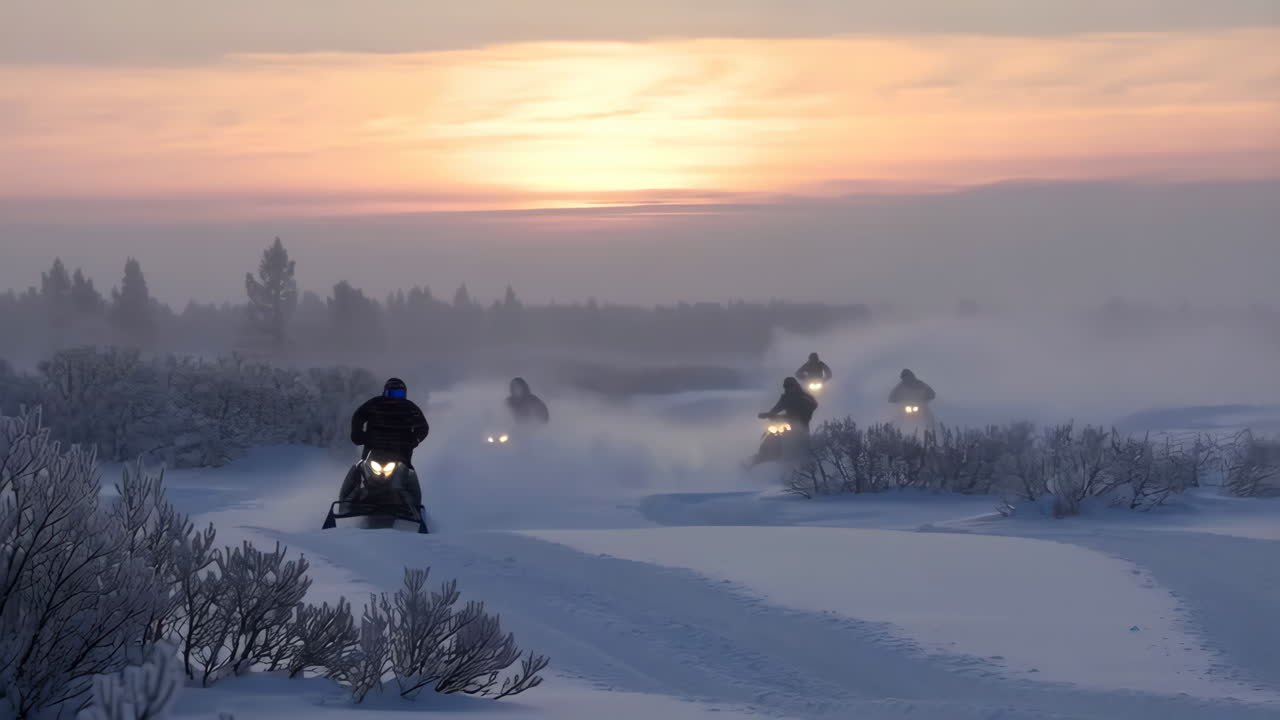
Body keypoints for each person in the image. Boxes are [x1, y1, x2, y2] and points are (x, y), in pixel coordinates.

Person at [342, 377, 429, 505]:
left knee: (410, 474)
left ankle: (414, 505)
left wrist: (413, 439)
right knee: (358, 468)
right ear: (385, 392)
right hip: (374, 449)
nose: (395, 398)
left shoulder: (410, 408)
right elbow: (358, 416)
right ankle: (346, 500)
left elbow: (423, 427)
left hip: (400, 452)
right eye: (392, 393)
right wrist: (358, 435)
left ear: (404, 394)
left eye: (399, 394)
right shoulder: (375, 404)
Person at [757, 377, 819, 459]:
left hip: (801, 423)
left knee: (802, 441)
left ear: (795, 386)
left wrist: (807, 409)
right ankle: (761, 456)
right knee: (771, 434)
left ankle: (805, 460)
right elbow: (777, 407)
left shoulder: (803, 396)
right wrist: (769, 414)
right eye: (787, 387)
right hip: (788, 422)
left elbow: (814, 404)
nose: (789, 388)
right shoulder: (785, 398)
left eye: (791, 386)